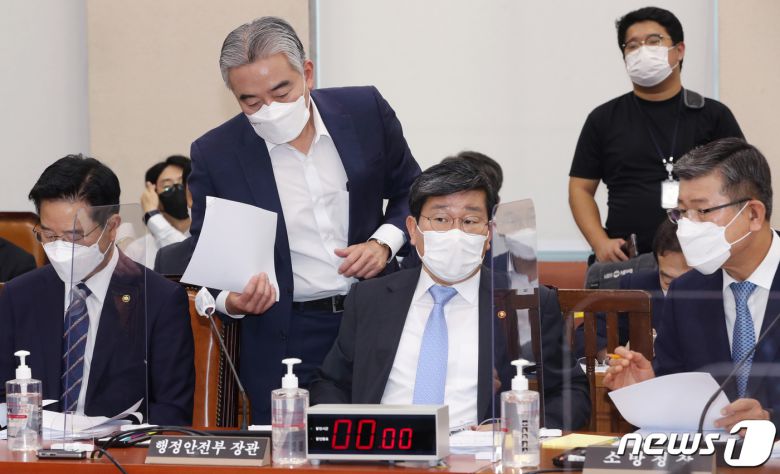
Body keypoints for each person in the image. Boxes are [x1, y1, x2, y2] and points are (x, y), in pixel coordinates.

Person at [188, 17, 421, 423]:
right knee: (294, 447)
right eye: (251, 102)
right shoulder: (217, 154)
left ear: (307, 73)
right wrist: (233, 302)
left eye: (282, 92)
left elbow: (413, 190)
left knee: (392, 437)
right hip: (289, 331)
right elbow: (206, 261)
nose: (270, 109)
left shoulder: (364, 110)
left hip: (377, 314)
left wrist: (383, 242)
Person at [311, 160, 590, 430]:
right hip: (384, 445)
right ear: (413, 230)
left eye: (470, 220)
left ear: (488, 234)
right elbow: (331, 383)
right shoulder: (370, 298)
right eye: (441, 219)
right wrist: (353, 434)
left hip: (479, 452)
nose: (456, 233)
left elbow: (572, 393)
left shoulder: (524, 301)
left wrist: (516, 428)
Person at [0, 155, 194, 425]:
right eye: (49, 235)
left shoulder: (159, 300)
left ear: (112, 227)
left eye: (74, 235)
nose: (60, 248)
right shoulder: (19, 295)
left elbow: (172, 410)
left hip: (118, 448)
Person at [605, 138, 780, 431]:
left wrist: (770, 420)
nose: (687, 226)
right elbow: (681, 394)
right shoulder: (686, 292)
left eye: (702, 211)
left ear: (753, 214)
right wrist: (648, 391)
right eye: (682, 212)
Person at [568, 6, 744, 263]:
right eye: (632, 45)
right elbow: (580, 189)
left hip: (702, 258)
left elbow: (742, 184)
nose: (643, 51)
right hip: (626, 259)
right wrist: (599, 242)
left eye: (654, 41)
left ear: (679, 50)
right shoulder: (603, 118)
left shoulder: (712, 115)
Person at [575, 219, 690, 357]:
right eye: (668, 281)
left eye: (688, 281)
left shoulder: (714, 291)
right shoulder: (637, 287)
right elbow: (586, 335)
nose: (678, 289)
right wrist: (617, 357)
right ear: (657, 264)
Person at [124, 155, 192, 268]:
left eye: (182, 183)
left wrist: (152, 216)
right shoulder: (137, 250)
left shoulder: (207, 237)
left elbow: (188, 258)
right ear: (154, 196)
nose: (177, 188)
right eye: (167, 187)